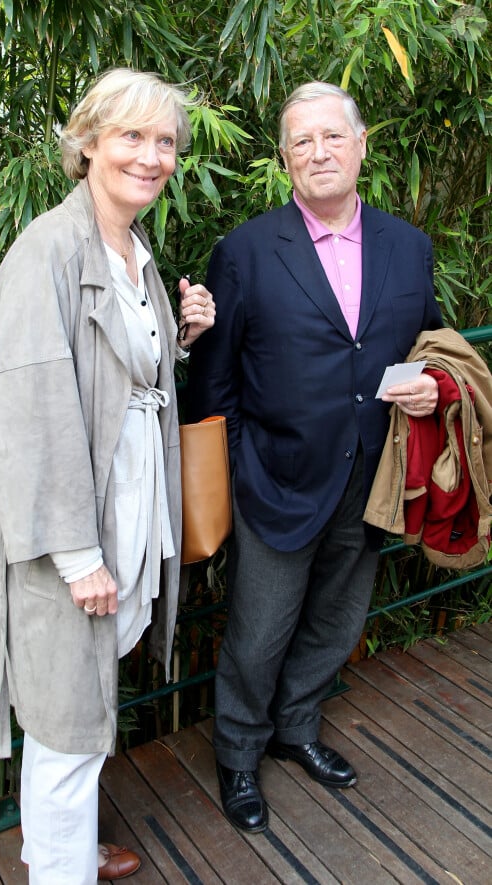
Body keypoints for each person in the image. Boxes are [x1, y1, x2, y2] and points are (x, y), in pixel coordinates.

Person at [187, 81, 442, 833]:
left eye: (333, 136)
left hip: (372, 478)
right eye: (302, 141)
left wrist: (431, 385)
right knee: (258, 633)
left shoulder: (409, 245)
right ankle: (237, 754)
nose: (319, 152)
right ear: (284, 158)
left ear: (363, 145)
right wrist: (240, 471)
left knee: (336, 622)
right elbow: (214, 381)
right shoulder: (245, 250)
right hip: (276, 481)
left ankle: (296, 728)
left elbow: (428, 344)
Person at [0, 68, 215, 883]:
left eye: (165, 142)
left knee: (82, 702)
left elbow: (119, 374)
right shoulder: (47, 249)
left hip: (129, 513)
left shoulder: (131, 249)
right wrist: (79, 556)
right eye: (132, 136)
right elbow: (29, 411)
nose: (152, 157)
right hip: (72, 533)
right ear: (86, 143)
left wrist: (179, 336)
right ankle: (59, 864)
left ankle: (62, 844)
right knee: (67, 721)